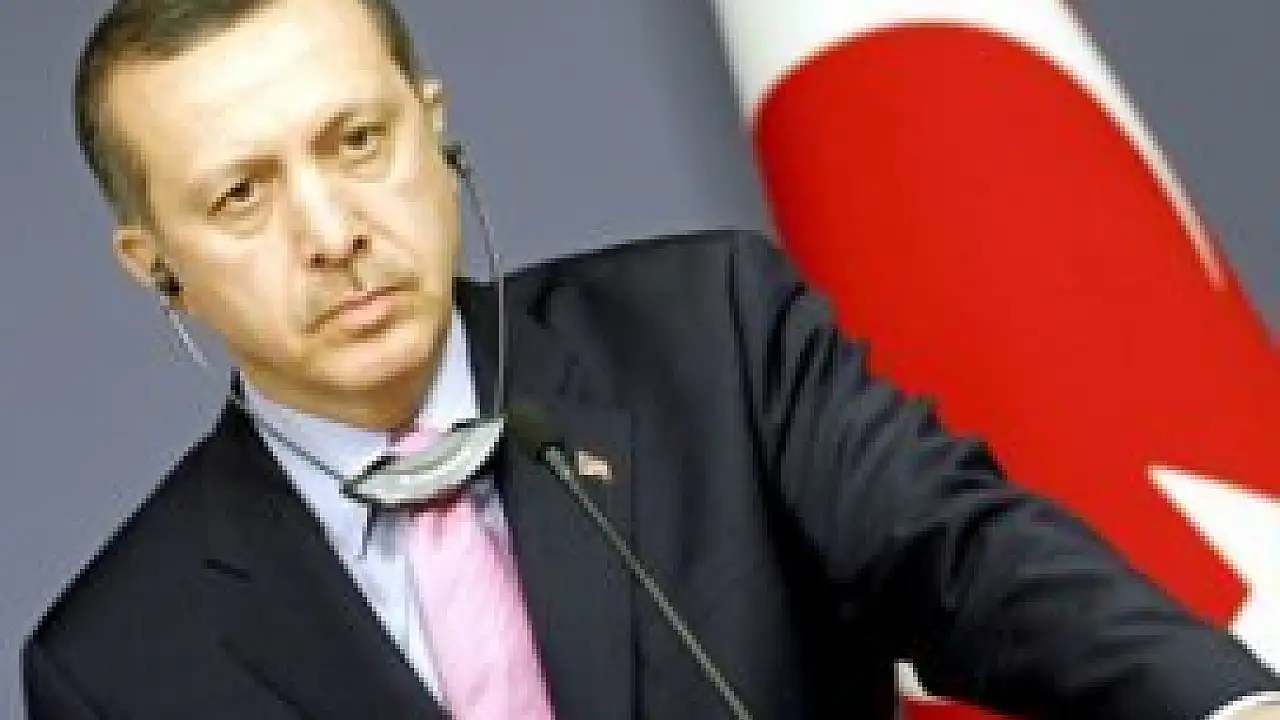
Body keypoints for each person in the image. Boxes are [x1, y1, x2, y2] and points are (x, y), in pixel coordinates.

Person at [22, 0, 1279, 717]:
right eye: (242, 195)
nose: (333, 231)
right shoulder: (113, 664)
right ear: (154, 262)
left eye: (356, 141)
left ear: (434, 128)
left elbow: (968, 560)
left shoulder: (706, 337)